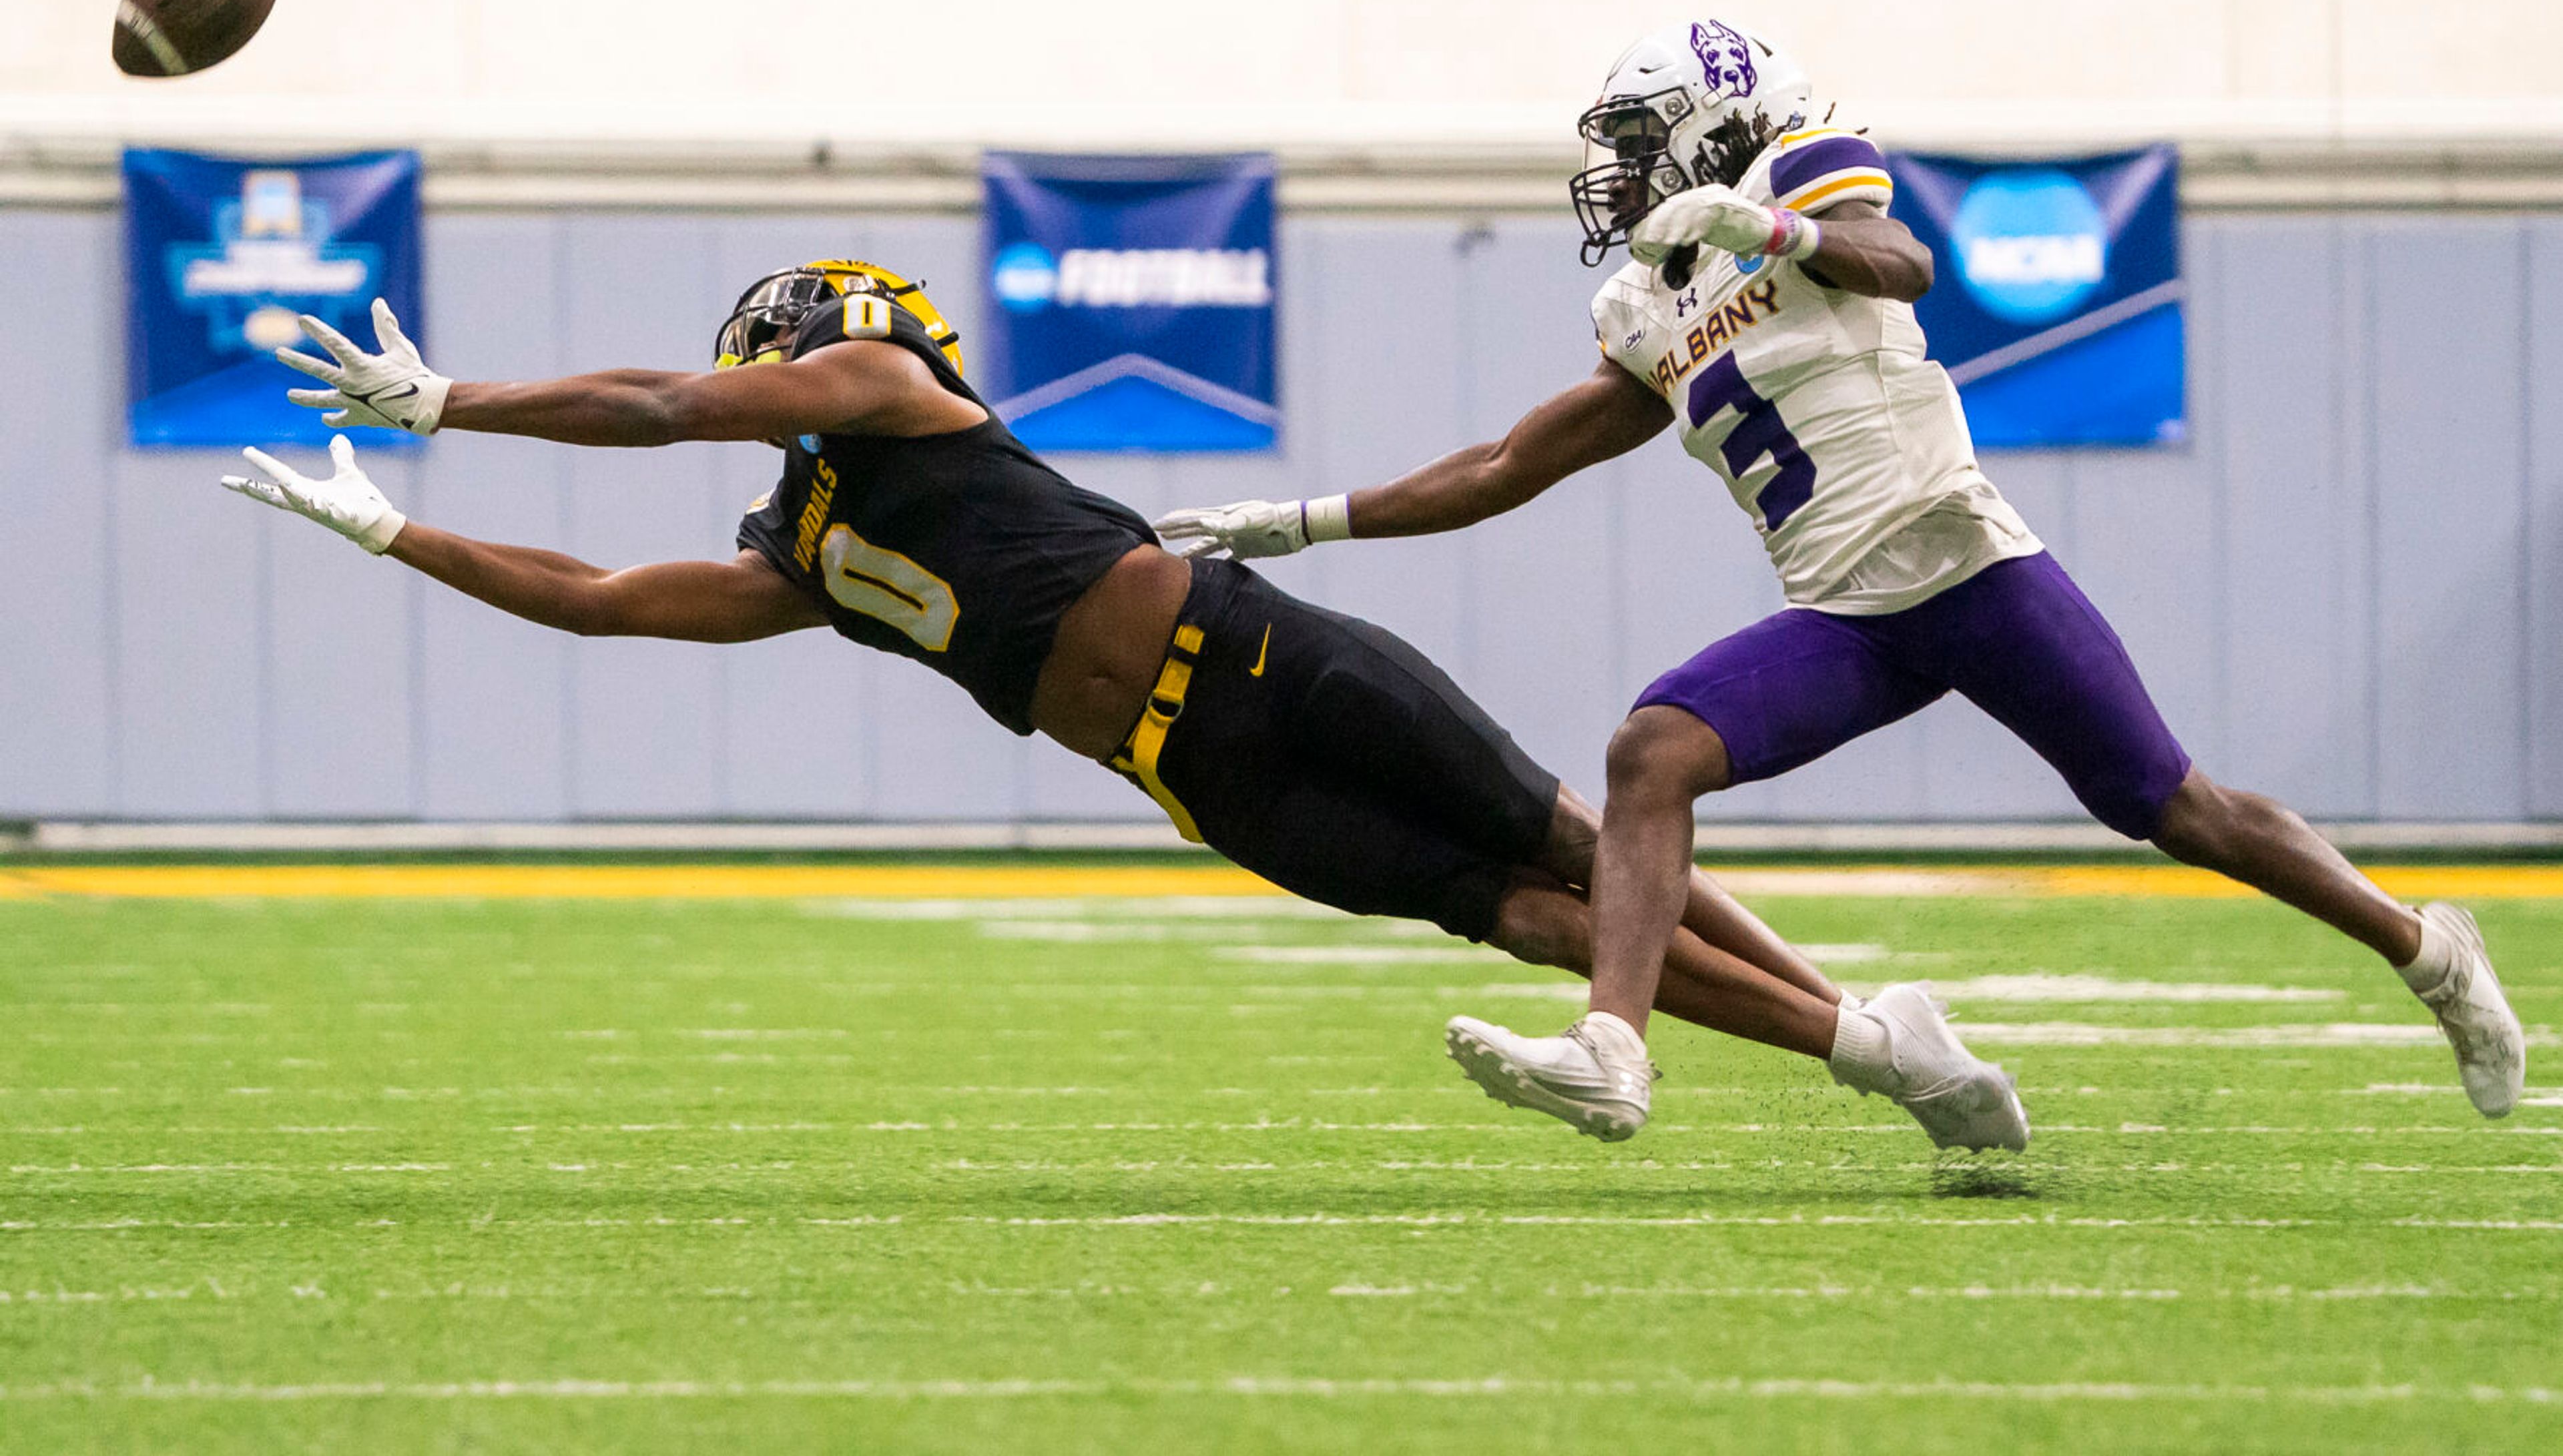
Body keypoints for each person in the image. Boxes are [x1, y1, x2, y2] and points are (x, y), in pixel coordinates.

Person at [218, 258, 2026, 1152]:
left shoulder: (887, 386)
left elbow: (656, 412)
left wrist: (450, 401)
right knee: (1531, 917)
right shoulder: (810, 545)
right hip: (1193, 771)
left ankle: (1868, 1026)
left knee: (1565, 834)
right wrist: (397, 534)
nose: (765, 380)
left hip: (1251, 648)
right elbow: (605, 604)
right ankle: (1885, 1055)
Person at [1154, 18, 2526, 1143]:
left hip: (1962, 562)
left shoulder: (1802, 171)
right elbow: (1511, 462)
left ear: (1706, 124)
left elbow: (1904, 262)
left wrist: (1772, 235)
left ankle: (2427, 948)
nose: (1620, 172)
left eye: (1638, 143)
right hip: (1847, 614)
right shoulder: (1650, 303)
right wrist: (1300, 518)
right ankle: (1614, 1051)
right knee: (1653, 750)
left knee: (2175, 805)